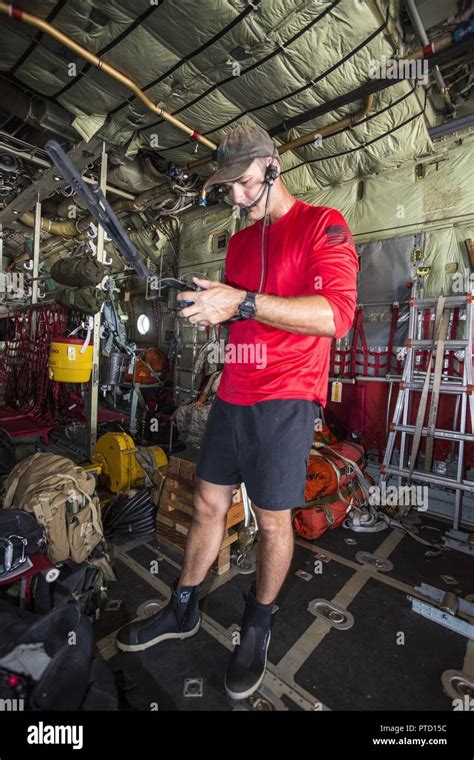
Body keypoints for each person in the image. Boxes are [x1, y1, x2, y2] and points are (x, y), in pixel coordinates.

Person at [116, 125, 359, 701]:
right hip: (235, 390)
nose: (234, 197)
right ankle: (183, 606)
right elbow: (247, 313)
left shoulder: (324, 224)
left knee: (274, 519)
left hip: (288, 395)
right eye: (226, 187)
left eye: (242, 183)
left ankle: (258, 624)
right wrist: (215, 308)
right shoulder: (243, 243)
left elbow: (336, 315)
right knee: (206, 503)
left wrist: (242, 301)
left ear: (272, 168)